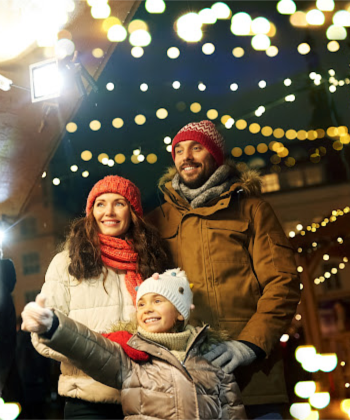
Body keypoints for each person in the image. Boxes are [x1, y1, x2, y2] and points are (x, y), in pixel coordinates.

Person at [146, 120, 301, 419]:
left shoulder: (252, 210)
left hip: (252, 380)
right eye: (178, 150)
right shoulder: (156, 221)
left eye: (196, 148)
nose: (186, 156)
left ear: (215, 155)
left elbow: (283, 283)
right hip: (186, 382)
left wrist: (249, 345)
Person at [22, 269, 247, 420]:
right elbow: (90, 347)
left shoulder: (211, 359)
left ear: (180, 313)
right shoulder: (132, 357)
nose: (147, 309)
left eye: (158, 301)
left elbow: (233, 412)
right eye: (141, 304)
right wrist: (53, 325)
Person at [33, 175, 170, 419]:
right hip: (87, 400)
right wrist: (99, 349)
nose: (109, 212)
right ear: (91, 212)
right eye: (100, 203)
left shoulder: (151, 262)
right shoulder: (66, 263)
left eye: (119, 203)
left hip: (146, 397)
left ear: (133, 212)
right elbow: (42, 335)